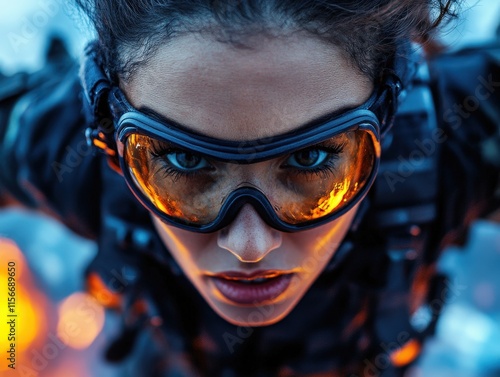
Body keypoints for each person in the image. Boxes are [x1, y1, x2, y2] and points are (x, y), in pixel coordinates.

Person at [0, 0, 499, 376]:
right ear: (109, 141)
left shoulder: (457, 135)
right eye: (184, 159)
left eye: (312, 158)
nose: (250, 247)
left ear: (386, 128)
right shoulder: (66, 149)